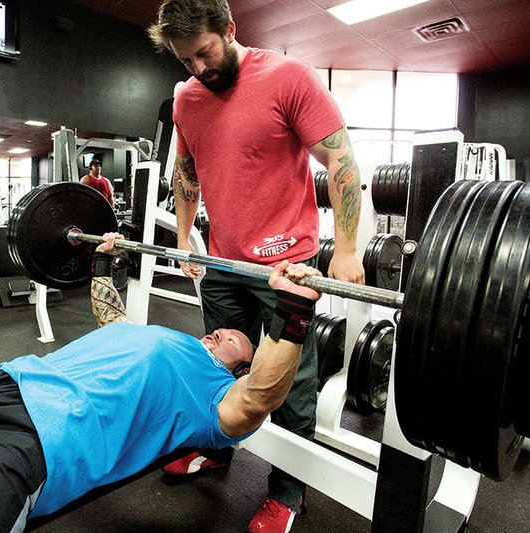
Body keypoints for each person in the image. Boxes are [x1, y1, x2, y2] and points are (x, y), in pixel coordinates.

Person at [0, 233, 321, 532]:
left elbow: (259, 397)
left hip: (27, 440)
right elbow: (110, 311)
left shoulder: (211, 400)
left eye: (235, 339)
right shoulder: (157, 336)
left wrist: (293, 313)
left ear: (237, 367)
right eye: (221, 329)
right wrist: (104, 258)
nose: (219, 332)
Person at [147, 1, 364, 530]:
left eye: (203, 52)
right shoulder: (187, 100)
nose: (197, 69)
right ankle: (218, 450)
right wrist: (183, 237)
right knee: (218, 368)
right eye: (184, 61)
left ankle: (288, 495)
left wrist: (348, 247)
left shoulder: (289, 77)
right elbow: (185, 170)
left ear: (229, 29)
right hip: (222, 262)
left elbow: (340, 159)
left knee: (289, 382)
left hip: (286, 267)